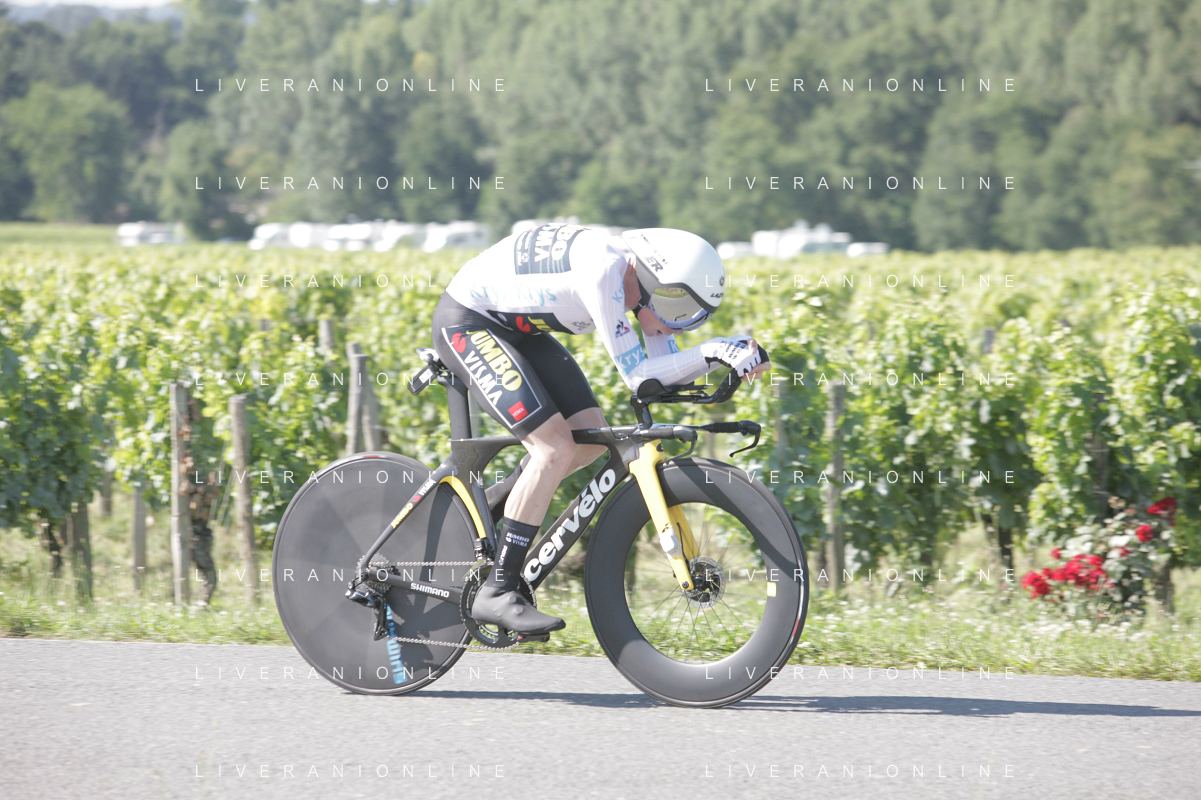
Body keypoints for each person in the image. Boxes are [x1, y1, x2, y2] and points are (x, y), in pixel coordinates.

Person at [432, 224, 770, 634]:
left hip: (515, 329)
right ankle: (497, 590)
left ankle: (487, 510)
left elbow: (664, 373)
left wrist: (729, 353)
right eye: (677, 306)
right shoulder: (605, 272)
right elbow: (640, 376)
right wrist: (714, 351)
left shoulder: (634, 279)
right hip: (468, 322)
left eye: (692, 316)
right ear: (650, 278)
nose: (678, 325)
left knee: (588, 440)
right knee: (553, 449)